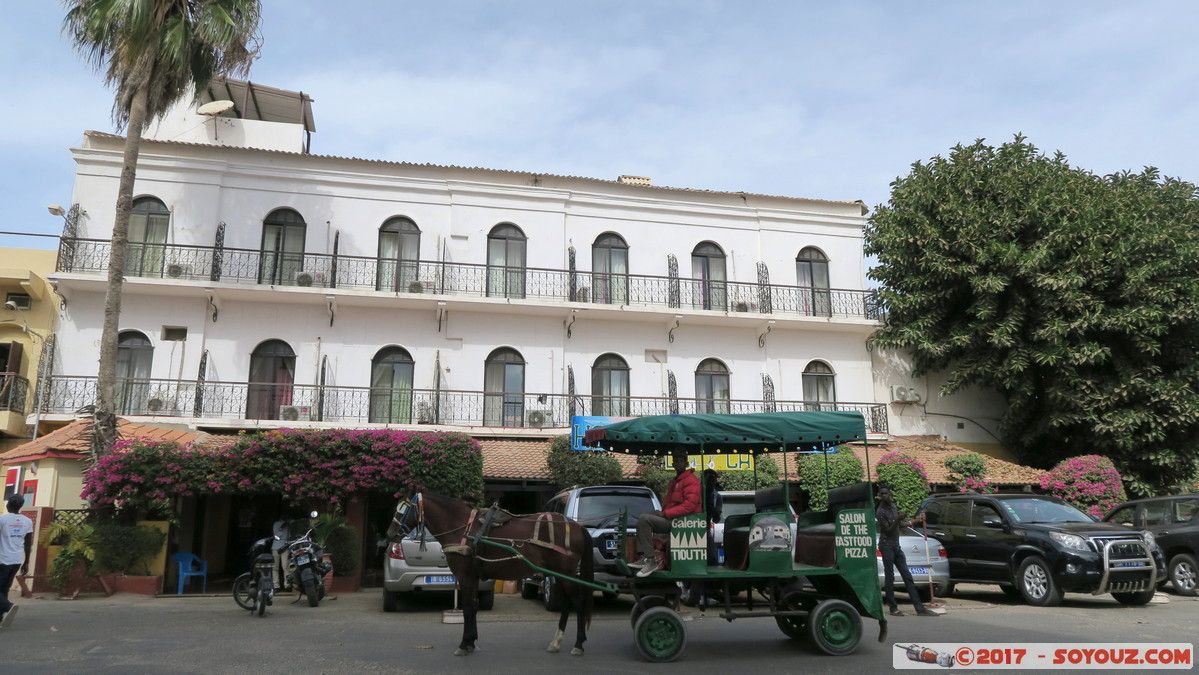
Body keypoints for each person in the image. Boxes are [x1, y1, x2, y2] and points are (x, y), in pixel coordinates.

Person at [629, 449, 701, 578]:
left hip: (684, 521)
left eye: (680, 461)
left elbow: (689, 506)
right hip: (675, 519)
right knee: (644, 518)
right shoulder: (675, 481)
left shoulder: (691, 480)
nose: (677, 464)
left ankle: (650, 560)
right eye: (675, 461)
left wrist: (665, 514)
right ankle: (646, 557)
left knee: (644, 519)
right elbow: (670, 503)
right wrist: (661, 512)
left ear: (686, 463)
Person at [876, 486, 937, 617]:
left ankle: (920, 609)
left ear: (890, 494)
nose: (885, 496)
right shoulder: (880, 512)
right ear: (880, 496)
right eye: (882, 494)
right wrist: (898, 519)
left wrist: (914, 520)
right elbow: (887, 530)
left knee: (907, 577)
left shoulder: (893, 506)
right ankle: (893, 608)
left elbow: (900, 525)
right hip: (886, 546)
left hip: (896, 546)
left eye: (886, 493)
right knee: (889, 577)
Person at [0, 494, 34, 629]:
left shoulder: (2, 519)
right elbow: (27, 543)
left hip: (2, 559)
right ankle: (1, 618)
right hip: (16, 560)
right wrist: (26, 562)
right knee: (4, 588)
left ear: (8, 505)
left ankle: (8, 606)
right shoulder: (27, 521)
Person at [271, 516, 291, 591]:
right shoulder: (276, 524)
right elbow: (276, 535)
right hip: (276, 547)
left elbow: (289, 535)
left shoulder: (289, 524)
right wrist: (282, 527)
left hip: (285, 546)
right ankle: (276, 585)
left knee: (285, 566)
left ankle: (287, 585)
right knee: (275, 567)